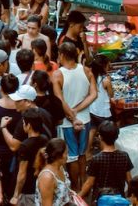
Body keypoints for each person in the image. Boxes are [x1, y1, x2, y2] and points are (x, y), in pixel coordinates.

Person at [52, 42, 97, 186]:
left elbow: (59, 100)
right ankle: (84, 184)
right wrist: (78, 111)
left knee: (72, 156)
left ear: (62, 55)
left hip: (67, 123)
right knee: (83, 154)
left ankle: (76, 187)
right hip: (85, 120)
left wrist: (72, 115)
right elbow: (93, 94)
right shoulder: (86, 71)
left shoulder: (58, 74)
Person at [79, 120, 132, 202]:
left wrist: (78, 196)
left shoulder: (96, 159)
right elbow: (129, 180)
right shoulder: (124, 156)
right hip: (119, 199)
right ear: (116, 137)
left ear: (100, 137)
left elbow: (89, 183)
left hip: (101, 199)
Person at [36, 138, 72, 206]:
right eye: (66, 153)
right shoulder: (47, 177)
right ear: (58, 156)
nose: (67, 156)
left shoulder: (60, 168)